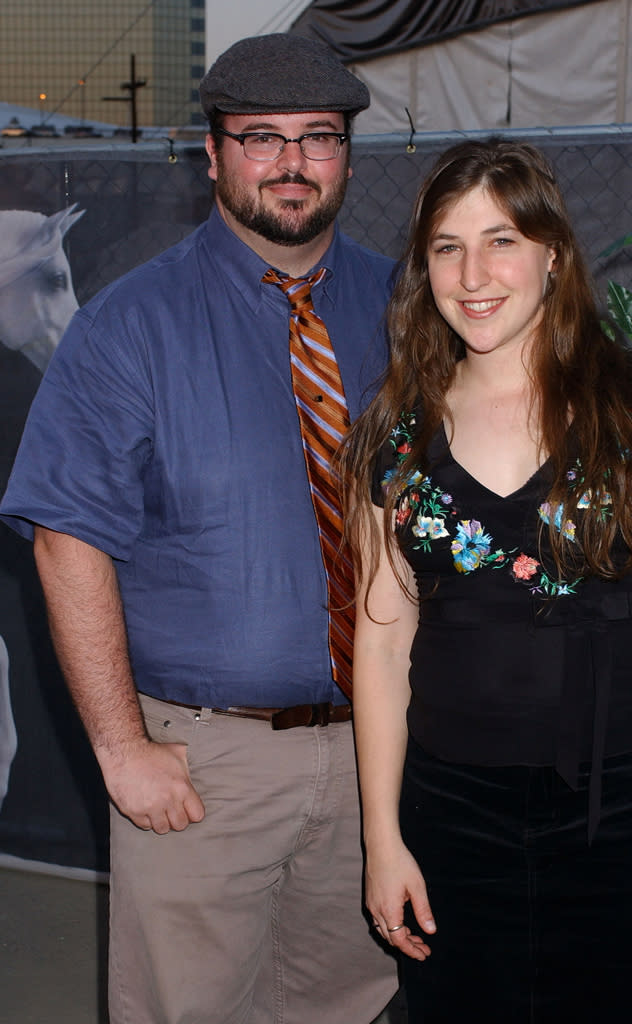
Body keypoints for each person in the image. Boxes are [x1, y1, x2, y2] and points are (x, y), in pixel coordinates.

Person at [0, 33, 398, 1024]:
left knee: (349, 1001)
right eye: (260, 137)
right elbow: (66, 540)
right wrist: (122, 745)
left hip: (383, 748)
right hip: (205, 764)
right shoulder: (128, 326)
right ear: (211, 154)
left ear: (347, 153)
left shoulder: (406, 307)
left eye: (318, 137)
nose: (292, 162)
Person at [339, 138, 632, 1023]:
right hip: (451, 810)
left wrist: (606, 682)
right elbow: (383, 645)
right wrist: (381, 841)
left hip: (628, 808)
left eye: (501, 240)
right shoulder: (392, 436)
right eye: (446, 247)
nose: (474, 274)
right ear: (423, 268)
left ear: (552, 252)